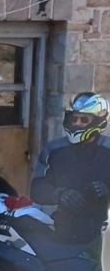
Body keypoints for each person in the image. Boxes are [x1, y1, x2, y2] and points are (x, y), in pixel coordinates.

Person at [31, 92, 110, 244]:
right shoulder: (53, 149)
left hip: (103, 231)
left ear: (98, 120)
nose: (77, 123)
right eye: (74, 119)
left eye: (84, 119)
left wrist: (107, 190)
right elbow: (36, 188)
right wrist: (59, 194)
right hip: (61, 228)